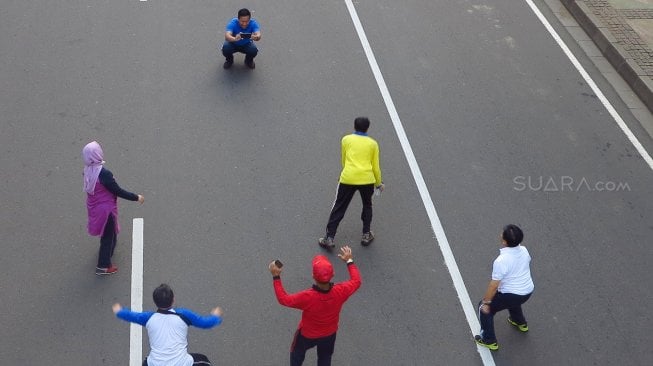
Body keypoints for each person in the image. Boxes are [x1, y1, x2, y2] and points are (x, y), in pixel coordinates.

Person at [269, 246, 361, 366]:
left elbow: (284, 299)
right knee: (325, 358)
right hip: (329, 334)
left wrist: (276, 276)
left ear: (313, 276)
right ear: (333, 274)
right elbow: (356, 281)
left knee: (296, 353)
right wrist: (349, 260)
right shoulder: (341, 291)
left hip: (306, 335)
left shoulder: (307, 297)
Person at [112, 283, 224, 366]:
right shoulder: (184, 315)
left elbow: (132, 316)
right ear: (173, 299)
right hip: (181, 363)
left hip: (154, 364)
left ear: (155, 302)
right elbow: (205, 323)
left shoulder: (148, 318)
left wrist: (119, 311)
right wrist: (215, 316)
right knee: (204, 360)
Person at [318, 117, 384, 249]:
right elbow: (376, 167)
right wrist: (378, 183)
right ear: (367, 128)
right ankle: (366, 234)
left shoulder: (346, 139)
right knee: (367, 205)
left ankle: (329, 237)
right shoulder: (373, 144)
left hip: (348, 178)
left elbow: (344, 159)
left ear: (354, 126)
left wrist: (345, 172)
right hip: (367, 180)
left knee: (339, 206)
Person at [82, 141, 144, 276]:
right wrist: (136, 197)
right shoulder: (104, 174)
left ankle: (110, 250)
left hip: (95, 207)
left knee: (108, 233)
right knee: (107, 236)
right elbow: (117, 191)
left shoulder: (87, 170)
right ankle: (103, 266)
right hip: (106, 210)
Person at [474, 224, 534, 351]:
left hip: (513, 294)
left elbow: (494, 285)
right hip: (527, 291)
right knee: (513, 301)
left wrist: (486, 302)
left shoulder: (501, 261)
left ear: (504, 241)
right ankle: (519, 322)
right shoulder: (524, 250)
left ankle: (489, 340)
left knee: (484, 309)